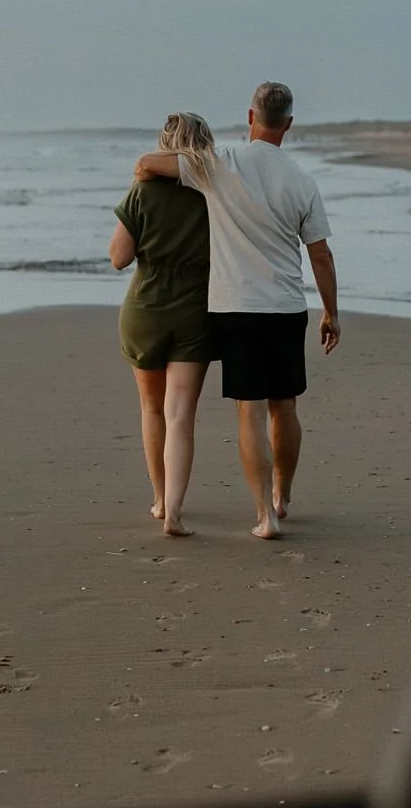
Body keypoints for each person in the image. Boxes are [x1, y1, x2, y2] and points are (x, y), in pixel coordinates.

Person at [133, 81, 338, 541]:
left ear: (250, 118)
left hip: (235, 308)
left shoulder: (219, 163)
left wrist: (146, 183)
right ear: (288, 124)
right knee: (284, 406)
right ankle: (283, 496)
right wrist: (332, 313)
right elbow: (320, 255)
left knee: (251, 411)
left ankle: (263, 515)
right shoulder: (303, 181)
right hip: (285, 306)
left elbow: (149, 163)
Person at [109, 113, 218, 537]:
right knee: (181, 416)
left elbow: (118, 257)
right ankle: (175, 510)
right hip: (196, 310)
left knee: (152, 409)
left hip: (146, 309)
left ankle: (158, 501)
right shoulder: (214, 193)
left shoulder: (142, 192)